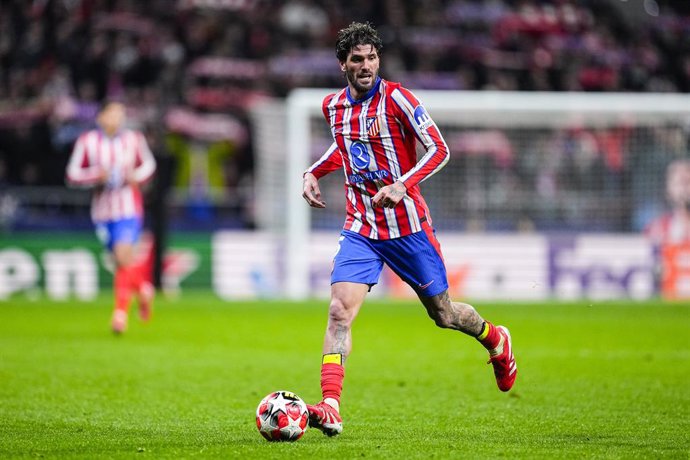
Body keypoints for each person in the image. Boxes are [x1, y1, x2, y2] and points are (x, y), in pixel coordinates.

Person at [301, 22, 517, 437]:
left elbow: (440, 148)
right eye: (357, 59)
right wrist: (312, 172)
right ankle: (331, 406)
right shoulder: (333, 107)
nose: (366, 66)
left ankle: (496, 340)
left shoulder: (398, 98)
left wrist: (403, 185)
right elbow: (342, 147)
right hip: (361, 226)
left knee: (445, 314)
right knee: (338, 311)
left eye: (372, 58)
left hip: (408, 229)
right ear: (342, 64)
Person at [66, 101, 157, 334]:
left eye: (121, 114)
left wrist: (136, 176)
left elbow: (149, 164)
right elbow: (72, 174)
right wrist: (96, 176)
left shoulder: (133, 139)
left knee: (122, 253)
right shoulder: (87, 141)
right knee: (121, 263)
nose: (118, 118)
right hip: (102, 212)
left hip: (128, 209)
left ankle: (120, 315)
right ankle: (144, 289)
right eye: (113, 113)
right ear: (101, 118)